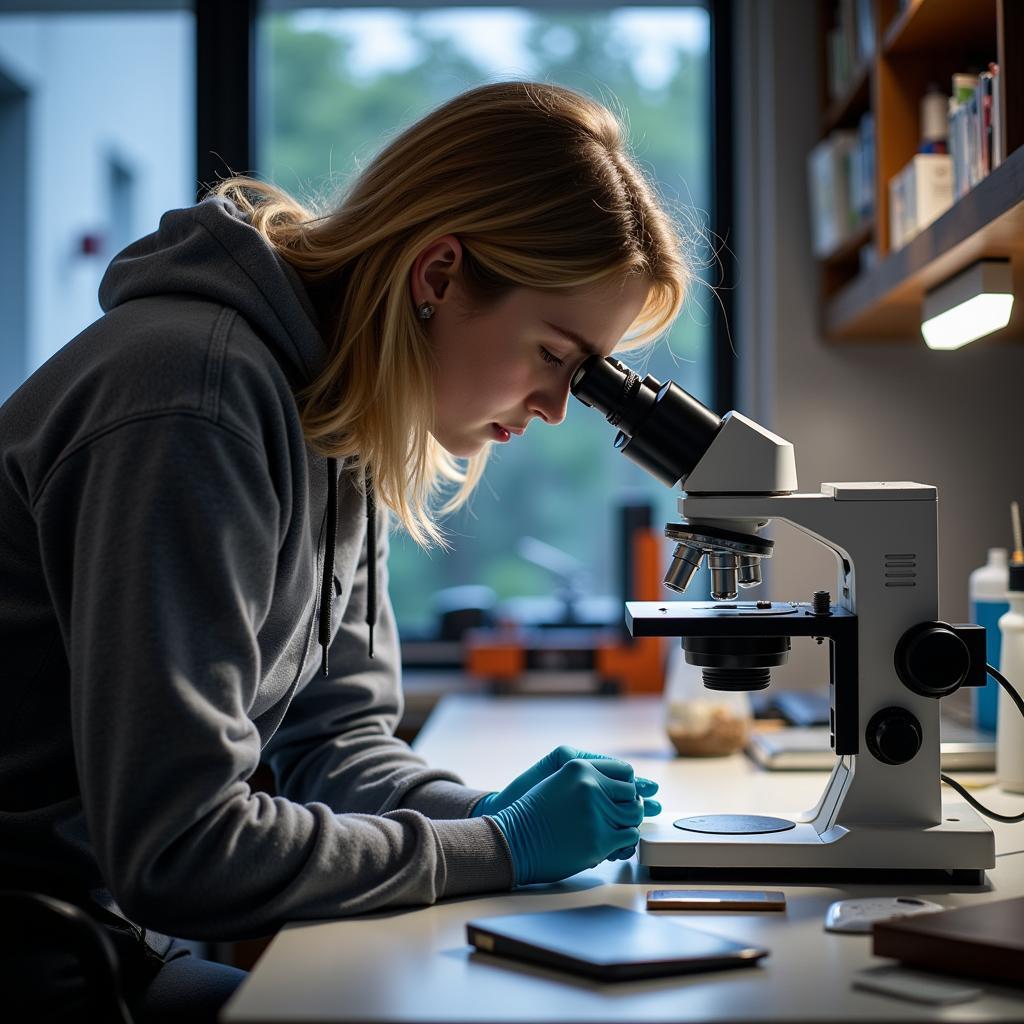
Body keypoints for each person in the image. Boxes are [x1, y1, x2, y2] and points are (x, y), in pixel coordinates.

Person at [0, 81, 689, 1020]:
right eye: (553, 355)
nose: (557, 406)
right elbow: (182, 849)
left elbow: (336, 743)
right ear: (439, 275)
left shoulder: (338, 411)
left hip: (101, 934)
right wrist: (503, 847)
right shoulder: (192, 403)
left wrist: (483, 810)